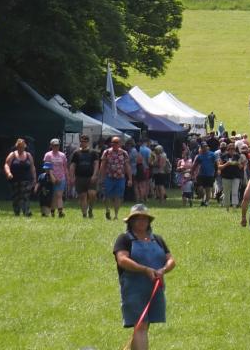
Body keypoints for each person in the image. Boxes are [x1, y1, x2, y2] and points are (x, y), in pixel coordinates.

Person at [114, 204, 175, 350]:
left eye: (144, 219)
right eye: (137, 219)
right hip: (133, 289)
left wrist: (163, 270)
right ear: (131, 221)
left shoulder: (157, 239)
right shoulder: (124, 239)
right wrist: (144, 269)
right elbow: (122, 260)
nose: (141, 222)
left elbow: (171, 260)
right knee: (140, 325)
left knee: (143, 326)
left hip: (155, 289)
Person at [100, 136, 133, 221]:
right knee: (106, 196)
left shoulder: (124, 153)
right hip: (109, 177)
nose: (114, 144)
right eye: (113, 142)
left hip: (120, 178)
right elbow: (102, 165)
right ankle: (107, 210)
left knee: (118, 197)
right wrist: (101, 177)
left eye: (116, 142)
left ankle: (116, 215)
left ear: (120, 144)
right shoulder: (106, 152)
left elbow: (127, 166)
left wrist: (130, 179)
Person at [3, 138, 36, 217]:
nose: (21, 148)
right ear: (17, 147)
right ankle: (17, 212)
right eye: (19, 147)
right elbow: (6, 165)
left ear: (25, 147)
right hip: (14, 180)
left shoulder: (28, 155)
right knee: (16, 197)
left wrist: (34, 178)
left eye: (22, 147)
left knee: (25, 195)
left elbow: (32, 167)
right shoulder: (12, 154)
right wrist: (8, 173)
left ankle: (26, 212)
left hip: (26, 180)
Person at [70, 135, 99, 218]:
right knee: (82, 196)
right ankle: (84, 214)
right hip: (79, 177)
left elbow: (96, 164)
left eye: (85, 141)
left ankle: (90, 209)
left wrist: (94, 175)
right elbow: (73, 165)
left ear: (88, 142)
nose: (83, 143)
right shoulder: (76, 153)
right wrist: (71, 176)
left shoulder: (93, 152)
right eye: (82, 141)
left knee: (92, 194)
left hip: (90, 177)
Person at [43, 138, 68, 217]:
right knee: (53, 195)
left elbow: (65, 167)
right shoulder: (48, 155)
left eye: (57, 145)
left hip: (61, 178)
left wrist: (68, 176)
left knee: (59, 195)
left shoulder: (62, 155)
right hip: (51, 178)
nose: (56, 147)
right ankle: (52, 211)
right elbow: (46, 168)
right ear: (51, 146)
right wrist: (52, 177)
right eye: (54, 145)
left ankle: (60, 212)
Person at [217, 144, 244, 209]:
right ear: (227, 149)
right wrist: (227, 164)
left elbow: (241, 167)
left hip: (236, 176)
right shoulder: (223, 156)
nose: (232, 150)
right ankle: (227, 207)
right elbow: (219, 167)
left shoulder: (238, 156)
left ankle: (234, 206)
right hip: (226, 176)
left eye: (233, 149)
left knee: (235, 191)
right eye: (230, 149)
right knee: (226, 192)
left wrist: (237, 163)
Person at [193, 141, 217, 206]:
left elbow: (216, 164)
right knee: (200, 189)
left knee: (208, 189)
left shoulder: (212, 154)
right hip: (201, 174)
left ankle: (206, 202)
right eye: (203, 147)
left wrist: (216, 172)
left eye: (206, 146)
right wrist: (192, 172)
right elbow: (194, 165)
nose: (205, 148)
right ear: (201, 147)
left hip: (210, 174)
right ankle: (203, 199)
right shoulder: (199, 156)